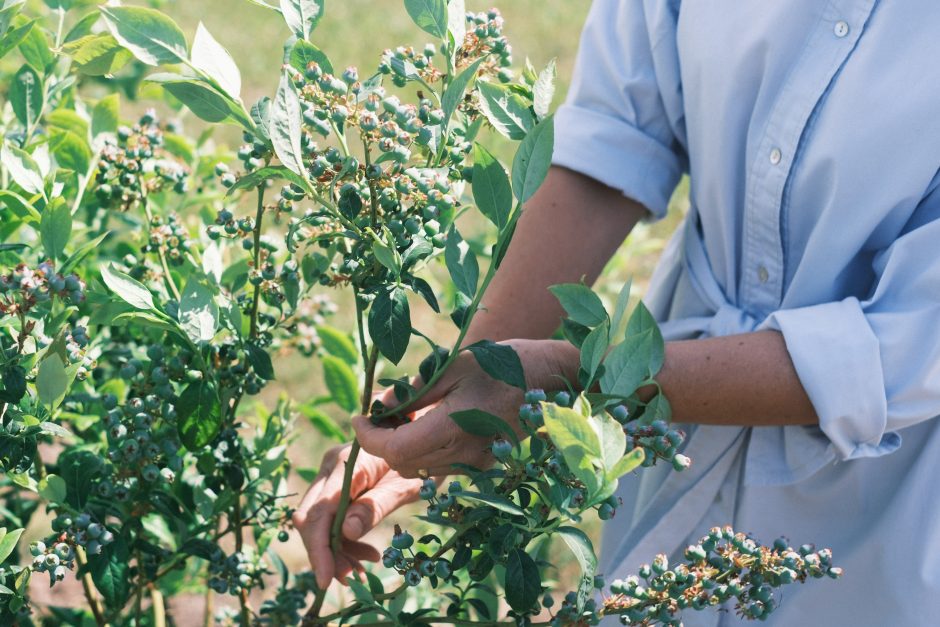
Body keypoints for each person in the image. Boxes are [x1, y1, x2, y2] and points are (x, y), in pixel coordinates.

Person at [294, 0, 940, 623]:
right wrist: (454, 403)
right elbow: (617, 137)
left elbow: (898, 350)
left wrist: (563, 375)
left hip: (887, 519)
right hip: (673, 430)